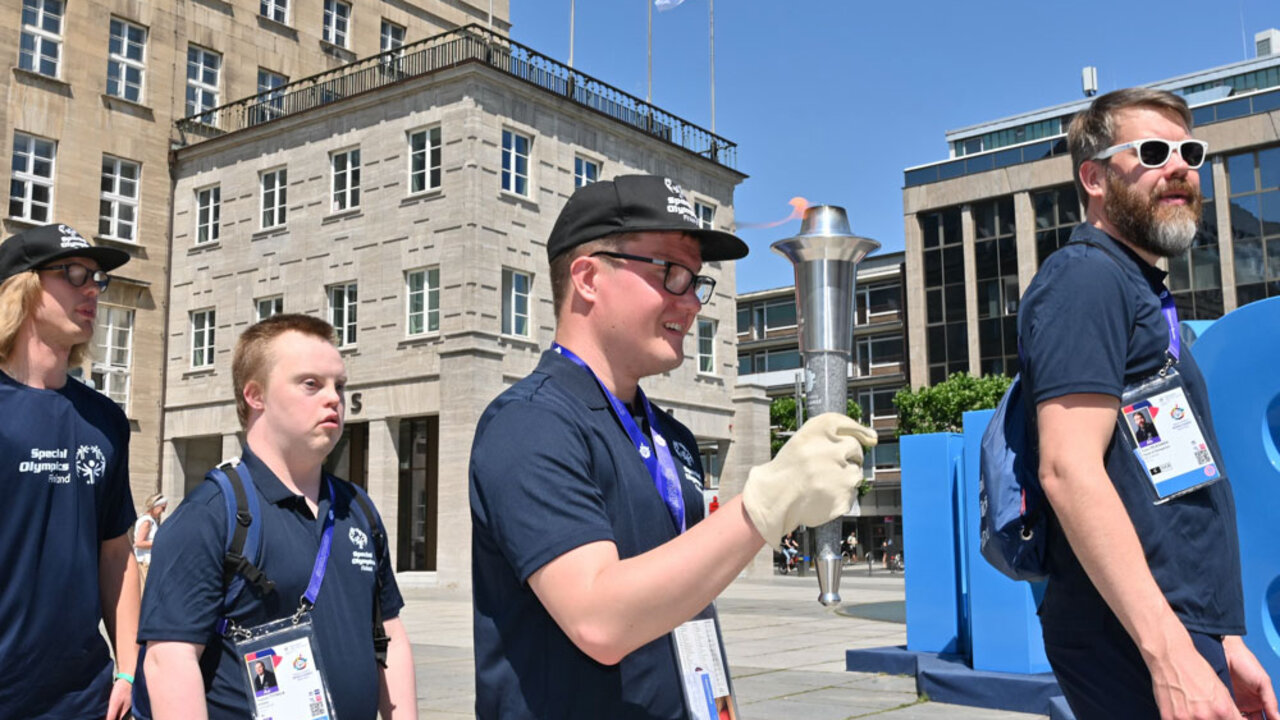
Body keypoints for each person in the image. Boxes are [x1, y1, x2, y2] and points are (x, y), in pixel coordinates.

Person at [469, 174, 876, 719]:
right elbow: (598, 618)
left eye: (697, 282)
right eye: (670, 273)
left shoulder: (670, 436)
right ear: (587, 277)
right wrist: (764, 505)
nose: (691, 304)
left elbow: (685, 602)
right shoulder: (531, 424)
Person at [1021, 87, 1277, 720]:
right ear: (1095, 177)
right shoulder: (1085, 279)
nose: (1180, 167)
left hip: (1180, 628)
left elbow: (1170, 484)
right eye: (1155, 151)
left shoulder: (1135, 289)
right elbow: (1068, 470)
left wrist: (1222, 637)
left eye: (1190, 151)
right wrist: (1167, 652)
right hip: (1133, 637)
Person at [138, 314, 417, 719]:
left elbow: (389, 632)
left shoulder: (358, 509)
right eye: (311, 384)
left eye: (339, 385)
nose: (333, 398)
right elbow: (169, 661)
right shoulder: (210, 516)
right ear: (256, 396)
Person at [0, 223, 139, 719]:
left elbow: (116, 555)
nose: (92, 289)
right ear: (24, 286)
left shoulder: (104, 421)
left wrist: (128, 668)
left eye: (97, 278)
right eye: (74, 273)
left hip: (87, 699)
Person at [134, 492, 168, 586]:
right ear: (155, 506)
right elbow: (139, 543)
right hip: (144, 562)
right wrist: (158, 543)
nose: (163, 511)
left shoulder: (150, 520)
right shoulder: (147, 522)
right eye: (162, 508)